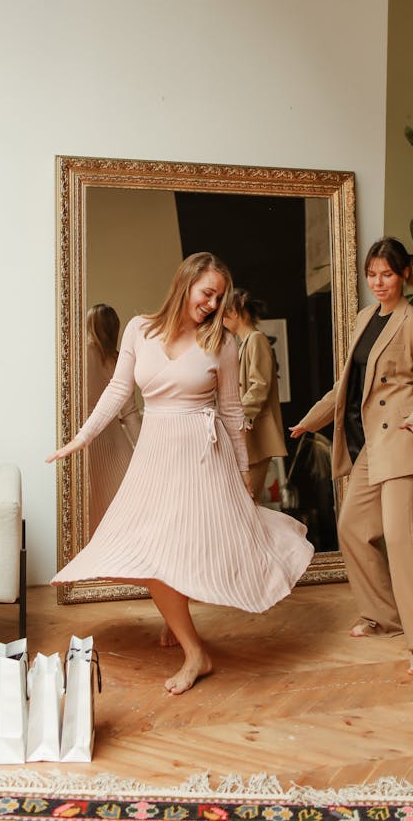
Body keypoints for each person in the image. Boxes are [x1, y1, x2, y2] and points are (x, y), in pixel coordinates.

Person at [47, 252, 313, 695]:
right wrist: (82, 438)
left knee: (186, 542)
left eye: (219, 297)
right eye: (207, 293)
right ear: (185, 283)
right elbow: (119, 390)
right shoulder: (139, 329)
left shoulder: (222, 344)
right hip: (155, 453)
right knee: (152, 547)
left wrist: (244, 473)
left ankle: (195, 653)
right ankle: (184, 630)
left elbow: (230, 412)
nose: (212, 304)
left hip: (202, 454)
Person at [290, 237, 413, 678]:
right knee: (352, 527)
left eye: (386, 274)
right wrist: (313, 420)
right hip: (370, 445)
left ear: (404, 274)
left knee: (402, 540)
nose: (378, 282)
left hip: (403, 439)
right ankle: (386, 618)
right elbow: (346, 385)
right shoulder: (365, 318)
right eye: (372, 274)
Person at [222, 289, 288, 503]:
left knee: (249, 504)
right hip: (250, 436)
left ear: (235, 312)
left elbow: (260, 385)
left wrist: (240, 417)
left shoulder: (256, 339)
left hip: (258, 436)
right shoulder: (245, 343)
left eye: (223, 315)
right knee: (246, 504)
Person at [84, 304, 141, 533]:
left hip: (88, 441)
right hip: (117, 445)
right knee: (122, 519)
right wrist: (144, 449)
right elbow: (130, 413)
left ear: (90, 326)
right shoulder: (118, 361)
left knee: (93, 517)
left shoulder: (77, 357)